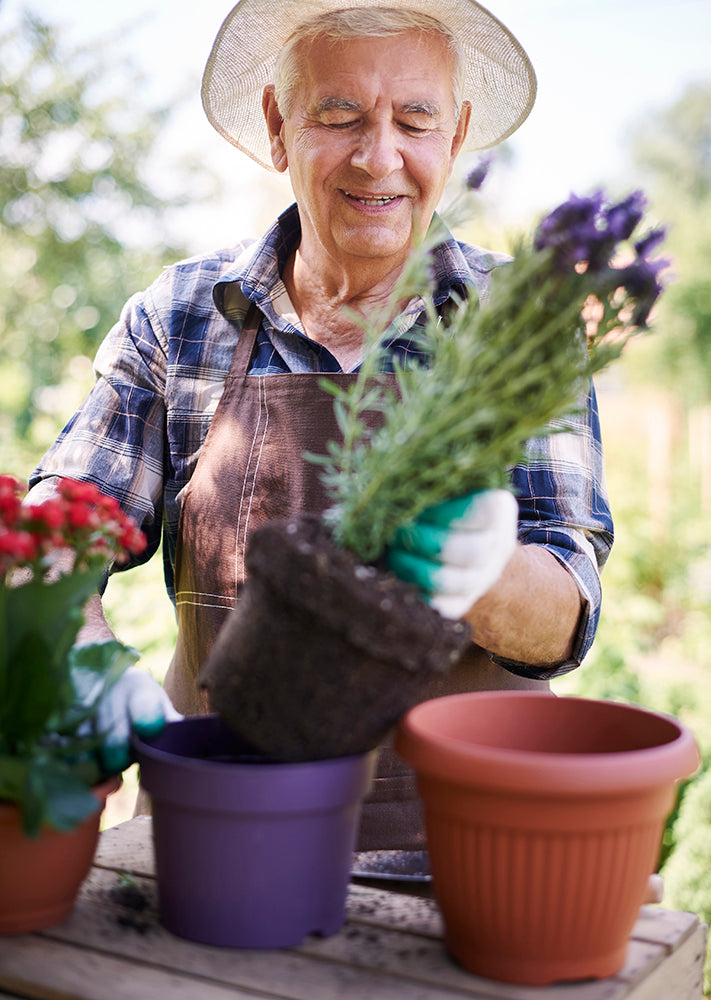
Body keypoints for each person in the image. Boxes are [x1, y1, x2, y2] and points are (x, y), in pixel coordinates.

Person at [28, 0, 613, 850]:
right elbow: (55, 529)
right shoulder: (184, 317)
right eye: (339, 115)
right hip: (219, 825)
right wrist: (84, 654)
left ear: (455, 137)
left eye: (415, 120)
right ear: (276, 124)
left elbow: (565, 611)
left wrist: (485, 572)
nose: (380, 157)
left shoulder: (518, 330)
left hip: (462, 843)